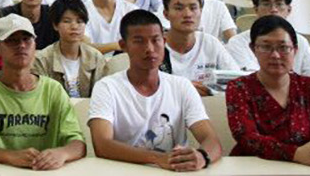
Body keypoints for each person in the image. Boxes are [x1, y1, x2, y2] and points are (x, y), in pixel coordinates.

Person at [88, 9, 223, 171]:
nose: (150, 48)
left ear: (164, 41)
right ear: (124, 46)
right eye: (139, 41)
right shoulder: (107, 87)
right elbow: (102, 145)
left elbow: (211, 139)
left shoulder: (181, 86)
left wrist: (202, 156)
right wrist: (157, 158)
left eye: (155, 40)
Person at [0, 14, 86, 170]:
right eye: (12, 40)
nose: (21, 45)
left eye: (27, 39)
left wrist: (62, 153)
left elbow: (78, 143)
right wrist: (9, 156)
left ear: (35, 45)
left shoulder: (54, 90)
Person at [225, 15, 310, 166]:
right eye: (265, 47)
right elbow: (247, 139)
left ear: (295, 50)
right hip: (253, 168)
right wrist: (295, 153)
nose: (275, 55)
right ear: (253, 49)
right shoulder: (239, 88)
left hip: (304, 168)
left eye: (283, 48)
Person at [160, 0, 237, 96]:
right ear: (166, 14)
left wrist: (210, 91)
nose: (187, 14)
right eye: (179, 8)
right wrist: (186, 90)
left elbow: (237, 83)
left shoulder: (210, 43)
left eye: (193, 8)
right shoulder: (156, 48)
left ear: (201, 11)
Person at [32, 0, 106, 98]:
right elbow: (42, 97)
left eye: (79, 21)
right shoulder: (42, 60)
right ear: (55, 25)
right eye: (67, 21)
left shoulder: (96, 58)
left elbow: (101, 97)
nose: (74, 26)